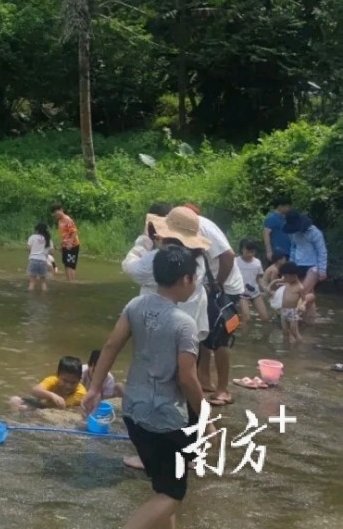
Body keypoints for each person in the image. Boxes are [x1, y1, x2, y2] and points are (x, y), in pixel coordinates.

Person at [83, 245, 209, 529]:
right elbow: (188, 379)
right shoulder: (184, 324)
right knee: (173, 495)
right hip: (167, 421)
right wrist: (206, 421)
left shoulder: (135, 306)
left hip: (134, 413)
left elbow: (111, 345)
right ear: (186, 279)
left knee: (161, 487)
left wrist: (94, 389)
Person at [181, 205, 243, 407]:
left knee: (221, 339)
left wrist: (218, 284)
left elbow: (228, 256)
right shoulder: (187, 229)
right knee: (204, 334)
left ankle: (223, 389)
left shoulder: (205, 228)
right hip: (210, 287)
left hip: (226, 289)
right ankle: (204, 381)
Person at [283, 209, 328, 320]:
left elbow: (321, 251)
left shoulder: (315, 233)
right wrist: (291, 265)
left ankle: (291, 318)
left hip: (313, 267)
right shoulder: (293, 233)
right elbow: (293, 248)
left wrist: (322, 269)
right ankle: (310, 322)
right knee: (309, 294)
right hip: (298, 265)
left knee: (302, 292)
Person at [235, 239, 268, 329]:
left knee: (265, 317)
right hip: (241, 292)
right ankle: (245, 340)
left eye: (253, 252)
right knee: (246, 317)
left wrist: (265, 288)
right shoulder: (236, 262)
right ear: (242, 249)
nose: (250, 254)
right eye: (248, 251)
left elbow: (259, 278)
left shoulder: (257, 262)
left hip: (254, 292)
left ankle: (263, 339)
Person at [278, 262, 307, 346]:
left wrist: (302, 305)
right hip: (283, 309)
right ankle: (286, 346)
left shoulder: (299, 287)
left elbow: (304, 299)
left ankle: (300, 345)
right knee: (284, 331)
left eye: (286, 276)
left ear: (293, 275)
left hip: (293, 311)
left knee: (294, 331)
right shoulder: (287, 282)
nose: (284, 278)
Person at [51, 203, 80, 280]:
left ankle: (72, 282)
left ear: (61, 210)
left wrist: (70, 243)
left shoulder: (67, 219)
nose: (54, 214)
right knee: (66, 264)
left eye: (55, 212)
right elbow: (65, 235)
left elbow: (74, 231)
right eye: (53, 213)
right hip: (65, 246)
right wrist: (61, 246)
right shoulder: (60, 221)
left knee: (70, 265)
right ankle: (68, 281)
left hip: (73, 246)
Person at [27, 222, 53, 292]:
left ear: (37, 229)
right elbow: (51, 252)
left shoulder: (32, 237)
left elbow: (29, 249)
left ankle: (30, 298)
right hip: (43, 261)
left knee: (32, 282)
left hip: (33, 260)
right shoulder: (48, 239)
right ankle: (44, 298)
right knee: (44, 283)